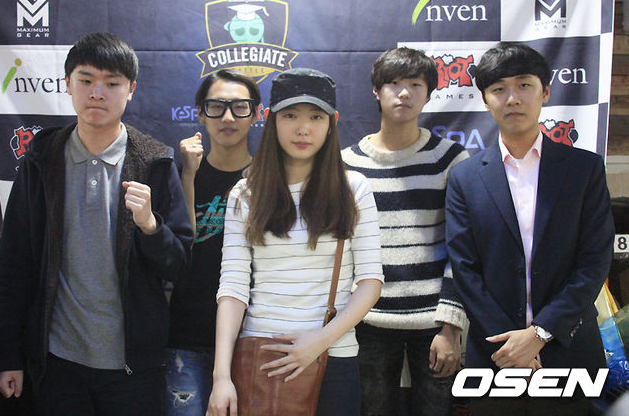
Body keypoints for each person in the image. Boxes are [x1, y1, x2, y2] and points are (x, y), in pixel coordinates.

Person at [0, 32, 193, 416]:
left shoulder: (155, 163)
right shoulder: (42, 159)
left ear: (131, 90)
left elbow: (179, 265)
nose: (97, 93)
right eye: (86, 80)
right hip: (57, 362)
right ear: (68, 84)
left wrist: (151, 227)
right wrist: (7, 354)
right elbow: (14, 261)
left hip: (133, 367)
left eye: (112, 84)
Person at [445, 42, 615, 416]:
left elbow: (594, 261)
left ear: (545, 92)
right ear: (485, 100)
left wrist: (539, 334)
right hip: (495, 355)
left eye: (524, 85)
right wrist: (513, 347)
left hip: (569, 350)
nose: (513, 99)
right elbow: (465, 270)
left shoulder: (584, 169)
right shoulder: (465, 178)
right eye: (499, 89)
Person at [206, 67, 384, 416]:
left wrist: (318, 342)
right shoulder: (245, 193)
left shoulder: (354, 189)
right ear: (270, 119)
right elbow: (233, 287)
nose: (303, 128)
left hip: (333, 355)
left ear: (332, 122)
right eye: (290, 115)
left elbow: (370, 282)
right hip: (262, 354)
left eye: (316, 117)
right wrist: (221, 376)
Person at [342, 47, 470, 416]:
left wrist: (451, 325)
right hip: (365, 319)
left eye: (415, 84)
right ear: (376, 91)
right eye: (394, 83)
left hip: (433, 321)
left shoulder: (450, 159)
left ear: (428, 93)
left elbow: (463, 249)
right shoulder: (347, 163)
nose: (403, 93)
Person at [166, 69, 260, 416]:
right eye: (217, 107)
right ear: (201, 114)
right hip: (187, 336)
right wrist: (189, 175)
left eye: (240, 107)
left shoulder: (269, 179)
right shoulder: (180, 174)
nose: (228, 118)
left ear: (256, 114)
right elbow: (180, 248)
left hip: (253, 338)